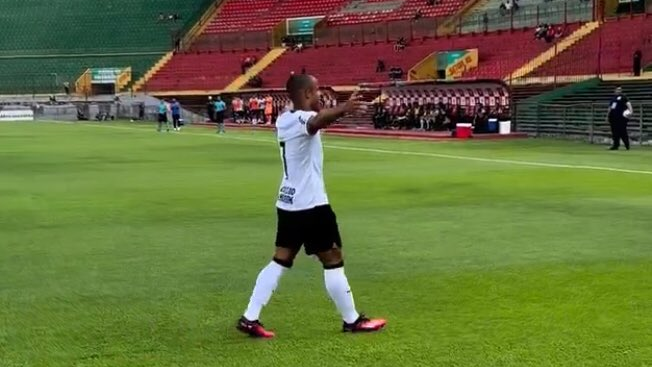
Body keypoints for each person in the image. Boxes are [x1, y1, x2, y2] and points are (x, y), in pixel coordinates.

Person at [236, 75, 387, 338]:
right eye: (317, 91)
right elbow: (316, 121)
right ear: (307, 93)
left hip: (287, 202)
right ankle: (352, 320)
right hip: (312, 205)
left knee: (280, 260)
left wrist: (328, 107)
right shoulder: (300, 121)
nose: (320, 96)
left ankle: (250, 317)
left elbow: (316, 117)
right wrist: (344, 108)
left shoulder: (285, 119)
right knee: (333, 259)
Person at [607, 86, 633, 150]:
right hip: (613, 118)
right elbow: (610, 108)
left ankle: (627, 145)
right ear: (615, 90)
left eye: (620, 90)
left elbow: (628, 104)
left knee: (623, 131)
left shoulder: (623, 97)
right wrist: (607, 115)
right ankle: (616, 145)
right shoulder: (613, 99)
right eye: (617, 89)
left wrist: (631, 111)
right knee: (614, 132)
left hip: (621, 118)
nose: (619, 91)